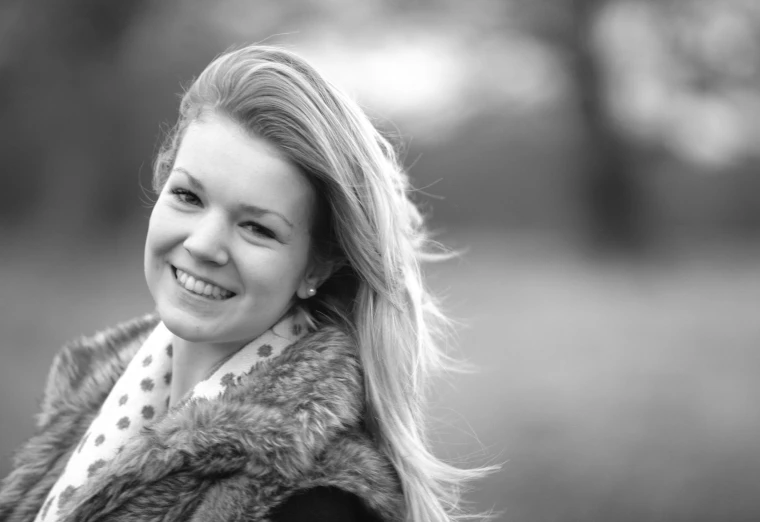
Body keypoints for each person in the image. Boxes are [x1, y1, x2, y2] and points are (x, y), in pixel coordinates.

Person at [0, 45, 488, 522]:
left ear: (315, 267)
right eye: (188, 196)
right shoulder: (87, 397)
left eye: (257, 228)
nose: (203, 244)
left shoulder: (314, 500)